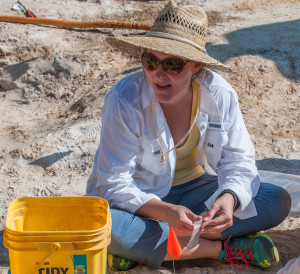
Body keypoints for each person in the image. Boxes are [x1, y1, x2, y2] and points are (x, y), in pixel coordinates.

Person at [86, 0, 291, 271]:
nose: (158, 74)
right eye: (149, 60)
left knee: (276, 200)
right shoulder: (123, 99)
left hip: (197, 193)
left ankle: (146, 247)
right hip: (140, 201)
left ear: (195, 65)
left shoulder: (220, 93)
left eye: (172, 64)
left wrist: (229, 198)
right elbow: (112, 184)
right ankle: (221, 250)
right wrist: (165, 212)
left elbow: (239, 161)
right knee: (101, 225)